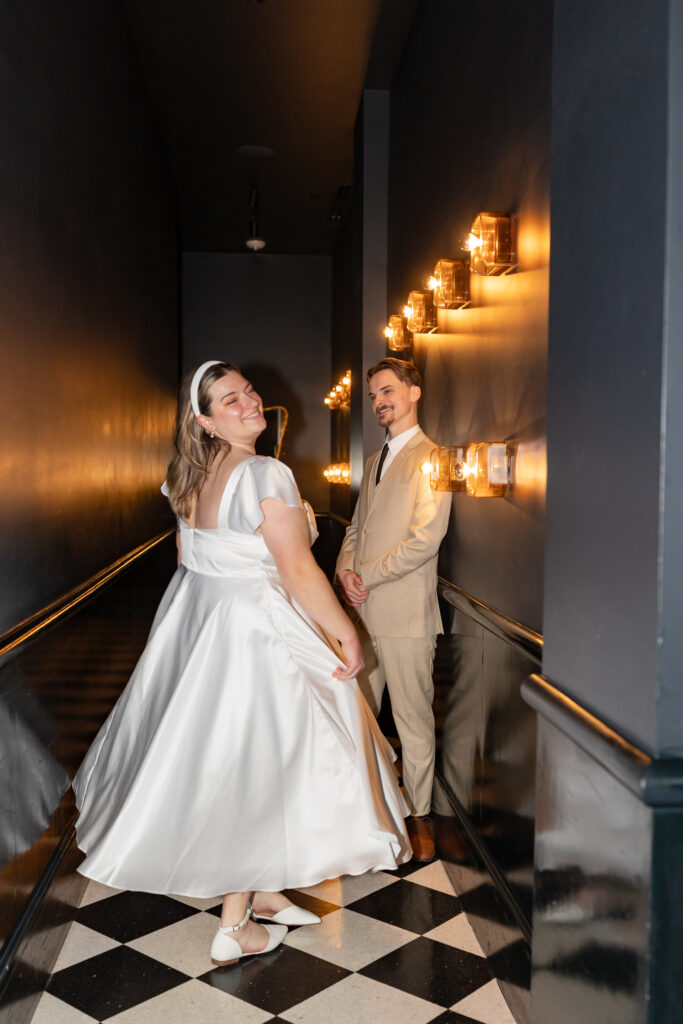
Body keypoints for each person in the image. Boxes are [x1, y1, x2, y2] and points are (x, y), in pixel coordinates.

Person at [73, 359, 411, 967]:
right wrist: (345, 634)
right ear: (204, 420)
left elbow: (188, 560)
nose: (249, 402)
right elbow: (297, 569)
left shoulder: (189, 477)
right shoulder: (264, 472)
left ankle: (268, 894)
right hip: (258, 632)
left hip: (203, 626)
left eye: (249, 392)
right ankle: (235, 927)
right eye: (230, 400)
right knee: (263, 763)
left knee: (239, 758)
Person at [335, 358, 451, 863]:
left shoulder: (434, 457)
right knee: (356, 718)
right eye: (374, 395)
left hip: (406, 616)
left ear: (413, 392)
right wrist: (343, 572)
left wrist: (368, 576)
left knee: (412, 721)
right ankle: (367, 809)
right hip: (361, 615)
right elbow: (355, 528)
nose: (379, 401)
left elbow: (426, 539)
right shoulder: (374, 460)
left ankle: (419, 818)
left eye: (387, 390)